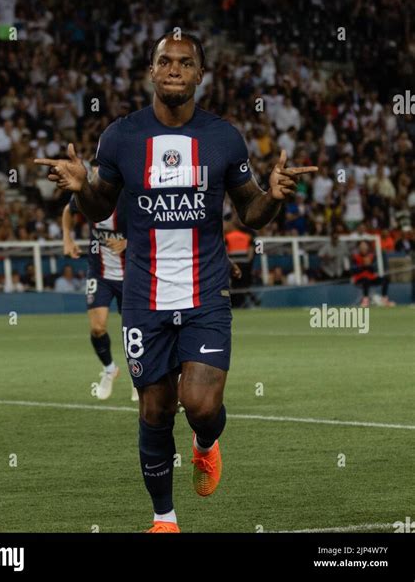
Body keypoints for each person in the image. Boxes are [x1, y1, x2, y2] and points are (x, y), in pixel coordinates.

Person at [35, 32, 318, 533]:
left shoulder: (223, 138)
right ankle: (164, 518)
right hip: (144, 297)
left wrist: (272, 196)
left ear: (199, 75)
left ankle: (206, 444)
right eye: (165, 61)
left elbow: (251, 211)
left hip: (206, 292)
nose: (174, 69)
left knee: (201, 406)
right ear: (150, 70)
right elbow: (102, 204)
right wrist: (82, 190)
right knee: (155, 409)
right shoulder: (121, 137)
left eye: (185, 63)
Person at [63, 168, 138, 402]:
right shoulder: (87, 195)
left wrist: (128, 242)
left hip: (133, 274)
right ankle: (109, 369)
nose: (98, 178)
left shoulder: (130, 196)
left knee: (135, 331)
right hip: (101, 273)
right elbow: (68, 210)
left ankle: (140, 378)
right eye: (94, 173)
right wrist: (68, 237)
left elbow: (153, 225)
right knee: (97, 327)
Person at [351, 240, 395, 307]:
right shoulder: (355, 257)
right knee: (365, 279)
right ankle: (365, 300)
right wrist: (363, 265)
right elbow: (353, 270)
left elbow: (374, 269)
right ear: (359, 248)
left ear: (367, 247)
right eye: (362, 246)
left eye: (365, 246)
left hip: (371, 277)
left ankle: (384, 299)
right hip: (360, 278)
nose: (363, 247)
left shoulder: (371, 256)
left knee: (385, 279)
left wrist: (369, 265)